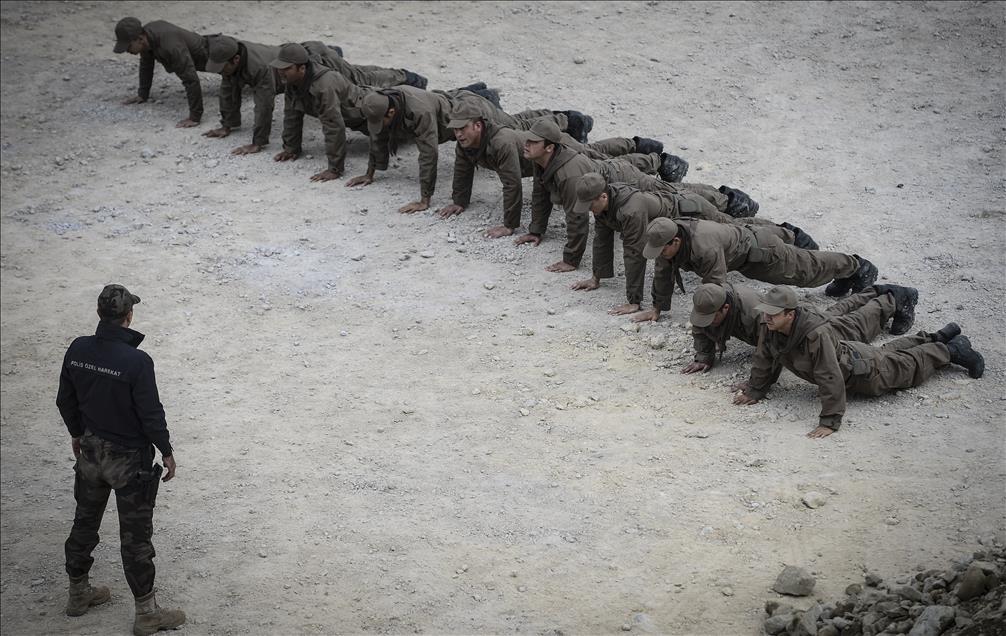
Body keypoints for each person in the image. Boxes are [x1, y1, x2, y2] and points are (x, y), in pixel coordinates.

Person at [57, 285, 185, 635]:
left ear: (100, 313)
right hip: (129, 463)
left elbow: (65, 399)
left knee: (84, 523)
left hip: (91, 453)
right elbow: (150, 413)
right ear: (129, 316)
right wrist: (166, 450)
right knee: (136, 539)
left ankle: (78, 595)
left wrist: (77, 433)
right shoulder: (137, 361)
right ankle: (146, 614)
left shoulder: (78, 349)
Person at [732, 285, 985, 438]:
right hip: (852, 354)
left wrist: (830, 421)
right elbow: (765, 356)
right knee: (889, 352)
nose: (766, 318)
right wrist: (756, 389)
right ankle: (938, 336)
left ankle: (951, 350)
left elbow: (830, 374)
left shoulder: (815, 334)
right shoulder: (770, 325)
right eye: (766, 312)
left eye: (773, 314)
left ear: (790, 314)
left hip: (862, 372)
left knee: (907, 368)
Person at [568, 173, 820, 320]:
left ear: (603, 196)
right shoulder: (604, 206)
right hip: (676, 223)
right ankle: (780, 232)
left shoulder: (631, 210)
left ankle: (788, 233)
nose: (589, 210)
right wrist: (596, 277)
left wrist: (634, 301)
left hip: (693, 212)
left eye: (590, 205)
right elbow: (601, 239)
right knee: (739, 229)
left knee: (739, 230)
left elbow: (635, 253)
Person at [345, 86, 593, 213]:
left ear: (391, 111)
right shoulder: (383, 101)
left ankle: (568, 119)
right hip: (457, 105)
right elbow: (378, 135)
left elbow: (428, 153)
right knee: (516, 124)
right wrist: (370, 173)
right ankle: (487, 93)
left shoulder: (419, 111)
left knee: (517, 127)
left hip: (474, 109)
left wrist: (424, 199)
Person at [439, 105, 668, 238]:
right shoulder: (466, 143)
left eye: (462, 128)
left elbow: (512, 184)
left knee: (601, 158)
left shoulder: (502, 142)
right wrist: (459, 201)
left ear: (477, 125)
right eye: (455, 129)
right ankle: (645, 154)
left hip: (561, 147)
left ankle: (649, 155)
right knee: (599, 156)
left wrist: (510, 225)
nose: (458, 134)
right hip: (545, 154)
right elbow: (462, 169)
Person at [513, 119, 692, 272]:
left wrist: (571, 260)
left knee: (673, 196)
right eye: (527, 140)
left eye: (533, 142)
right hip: (607, 172)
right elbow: (540, 195)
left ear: (549, 147)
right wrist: (536, 230)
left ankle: (699, 188)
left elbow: (577, 218)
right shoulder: (540, 160)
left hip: (624, 179)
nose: (526, 144)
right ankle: (661, 162)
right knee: (619, 162)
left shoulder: (569, 176)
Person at [201, 36, 428, 155]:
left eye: (222, 67)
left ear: (236, 60)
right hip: (303, 57)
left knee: (359, 78)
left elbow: (264, 105)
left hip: (316, 57)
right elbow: (228, 90)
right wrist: (227, 125)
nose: (220, 71)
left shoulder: (260, 68)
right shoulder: (233, 59)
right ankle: (334, 52)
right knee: (354, 74)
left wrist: (258, 142)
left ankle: (408, 77)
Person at [639, 216, 879, 319]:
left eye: (661, 250)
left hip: (761, 252)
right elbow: (663, 271)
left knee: (806, 272)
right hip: (742, 251)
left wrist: (707, 318)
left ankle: (857, 267)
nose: (659, 255)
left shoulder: (705, 246)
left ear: (675, 242)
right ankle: (791, 235)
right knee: (805, 267)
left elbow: (715, 285)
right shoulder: (667, 236)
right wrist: (657, 308)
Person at [682, 281, 919, 374]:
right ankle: (875, 291)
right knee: (835, 314)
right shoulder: (710, 300)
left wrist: (755, 385)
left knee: (853, 327)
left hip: (801, 323)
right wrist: (704, 356)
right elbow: (700, 327)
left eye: (711, 318)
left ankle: (893, 299)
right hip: (792, 317)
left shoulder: (755, 314)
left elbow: (771, 349)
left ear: (725, 308)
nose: (706, 321)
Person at [270, 42, 373, 182]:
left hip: (371, 116)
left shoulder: (324, 85)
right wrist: (291, 148)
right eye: (279, 67)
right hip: (355, 118)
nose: (281, 72)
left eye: (286, 68)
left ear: (302, 68)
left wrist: (334, 169)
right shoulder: (292, 81)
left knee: (391, 82)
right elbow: (291, 115)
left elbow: (333, 126)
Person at [113, 17, 209, 128]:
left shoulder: (170, 46)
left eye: (128, 46)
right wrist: (142, 94)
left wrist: (194, 117)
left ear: (140, 39)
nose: (127, 51)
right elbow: (146, 65)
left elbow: (191, 80)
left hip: (214, 56)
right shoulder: (147, 38)